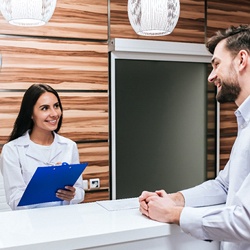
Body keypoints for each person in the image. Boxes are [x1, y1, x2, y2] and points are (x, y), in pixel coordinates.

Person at [139, 24, 250, 250]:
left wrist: (175, 214)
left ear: (241, 60)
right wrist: (174, 199)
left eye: (217, 64)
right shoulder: (245, 123)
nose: (211, 77)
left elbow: (246, 221)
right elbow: (225, 186)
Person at [0, 84, 84, 210]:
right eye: (45, 108)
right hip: (30, 224)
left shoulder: (69, 146)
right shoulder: (12, 149)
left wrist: (73, 194)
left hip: (65, 221)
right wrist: (44, 186)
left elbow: (80, 192)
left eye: (56, 106)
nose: (54, 113)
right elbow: (14, 199)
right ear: (31, 114)